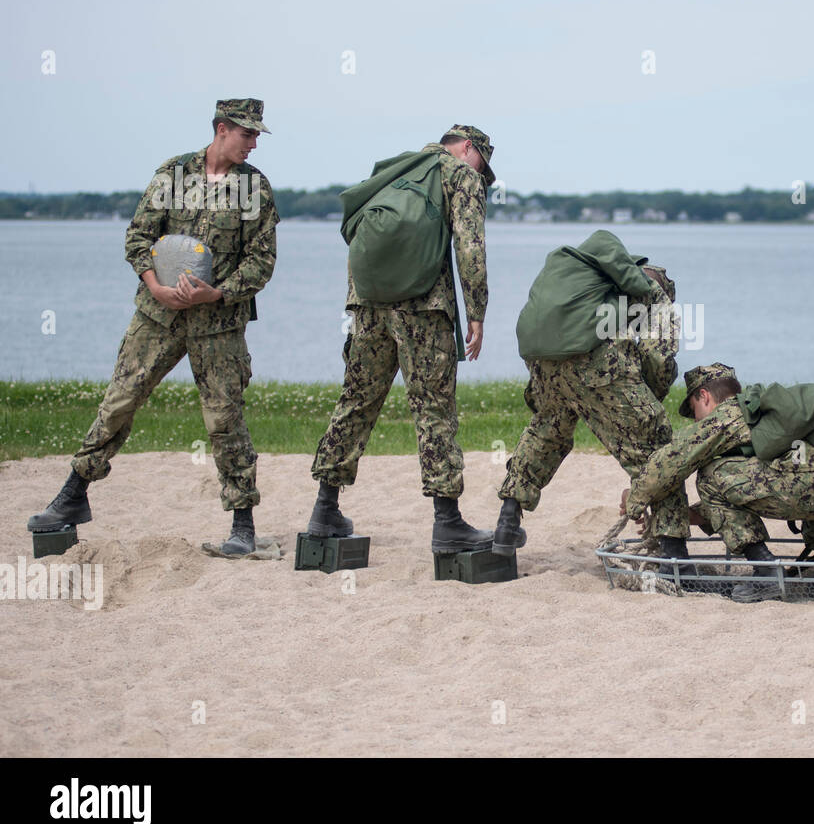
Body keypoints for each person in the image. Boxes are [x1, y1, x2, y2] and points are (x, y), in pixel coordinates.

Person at [29, 98, 278, 555]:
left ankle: (242, 525)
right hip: (157, 315)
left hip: (218, 323)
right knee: (120, 401)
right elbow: (138, 236)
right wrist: (155, 285)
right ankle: (71, 498)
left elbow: (262, 261)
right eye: (248, 133)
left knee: (225, 418)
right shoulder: (174, 173)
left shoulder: (256, 189)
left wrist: (216, 293)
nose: (254, 142)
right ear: (222, 129)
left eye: (257, 134)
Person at [308, 125, 494, 552]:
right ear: (468, 148)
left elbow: (359, 233)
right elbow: (470, 248)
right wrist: (477, 313)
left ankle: (324, 511)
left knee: (355, 401)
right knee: (433, 408)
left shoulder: (396, 169)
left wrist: (360, 299)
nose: (482, 177)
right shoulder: (459, 175)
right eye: (483, 165)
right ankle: (447, 521)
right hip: (423, 309)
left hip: (368, 305)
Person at [493, 230, 690, 556]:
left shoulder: (585, 279)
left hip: (543, 362)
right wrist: (648, 399)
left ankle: (507, 523)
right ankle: (673, 550)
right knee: (656, 447)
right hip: (592, 361)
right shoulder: (649, 296)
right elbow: (658, 357)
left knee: (547, 432)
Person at [622, 364, 814, 603]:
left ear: (704, 396)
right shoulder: (772, 415)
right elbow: (753, 488)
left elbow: (671, 461)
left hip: (807, 490)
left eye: (693, 411)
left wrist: (634, 499)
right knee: (806, 472)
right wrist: (688, 515)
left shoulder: (729, 414)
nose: (696, 420)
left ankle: (765, 569)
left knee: (711, 475)